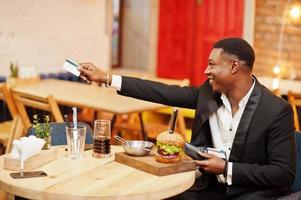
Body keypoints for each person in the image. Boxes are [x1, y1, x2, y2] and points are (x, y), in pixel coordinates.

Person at [78, 38, 296, 200]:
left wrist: (226, 168)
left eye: (212, 64)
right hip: (209, 189)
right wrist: (106, 78)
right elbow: (160, 91)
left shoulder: (276, 110)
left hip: (251, 193)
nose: (205, 70)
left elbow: (283, 173)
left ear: (234, 66)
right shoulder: (207, 94)